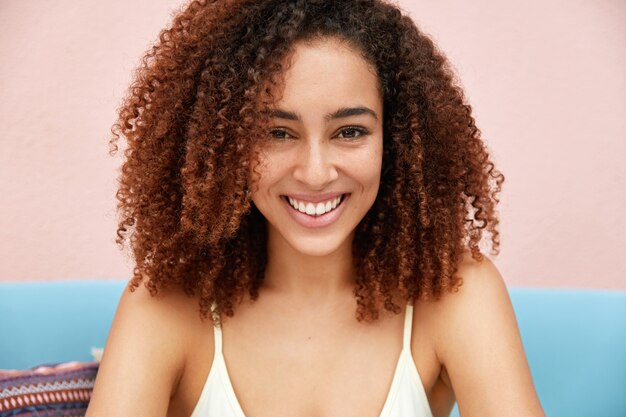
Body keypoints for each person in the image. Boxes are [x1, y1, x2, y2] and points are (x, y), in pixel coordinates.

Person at [87, 0, 545, 416]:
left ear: (398, 139)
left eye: (349, 131)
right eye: (278, 133)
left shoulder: (455, 294)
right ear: (224, 144)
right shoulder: (164, 306)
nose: (315, 172)